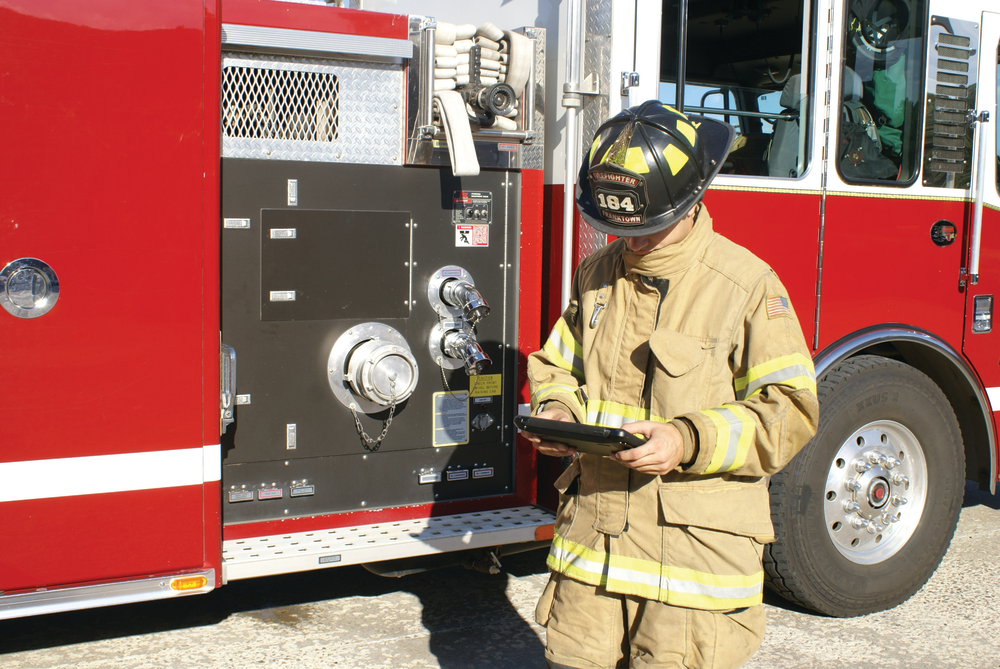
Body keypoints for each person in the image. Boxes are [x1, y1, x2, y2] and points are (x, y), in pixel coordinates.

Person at [523, 101, 820, 669]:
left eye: (648, 228)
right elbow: (557, 365)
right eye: (617, 230)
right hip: (593, 547)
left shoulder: (746, 285)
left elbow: (789, 412)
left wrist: (686, 440)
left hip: (692, 567)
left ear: (690, 201)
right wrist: (557, 411)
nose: (631, 244)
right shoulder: (598, 275)